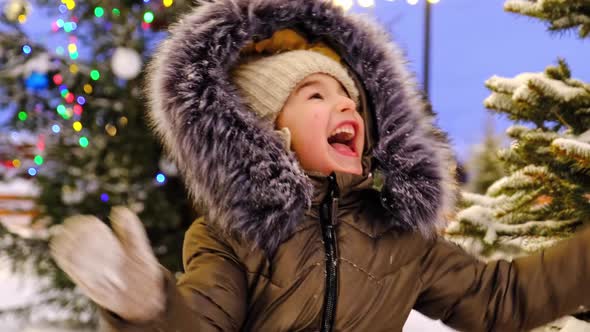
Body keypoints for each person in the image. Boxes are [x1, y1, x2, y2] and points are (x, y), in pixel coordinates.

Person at [50, 0, 590, 331]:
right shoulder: (232, 239)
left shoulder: (402, 236)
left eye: (352, 97)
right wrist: (150, 312)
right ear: (266, 132)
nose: (348, 106)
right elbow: (201, 319)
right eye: (315, 96)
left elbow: (500, 301)